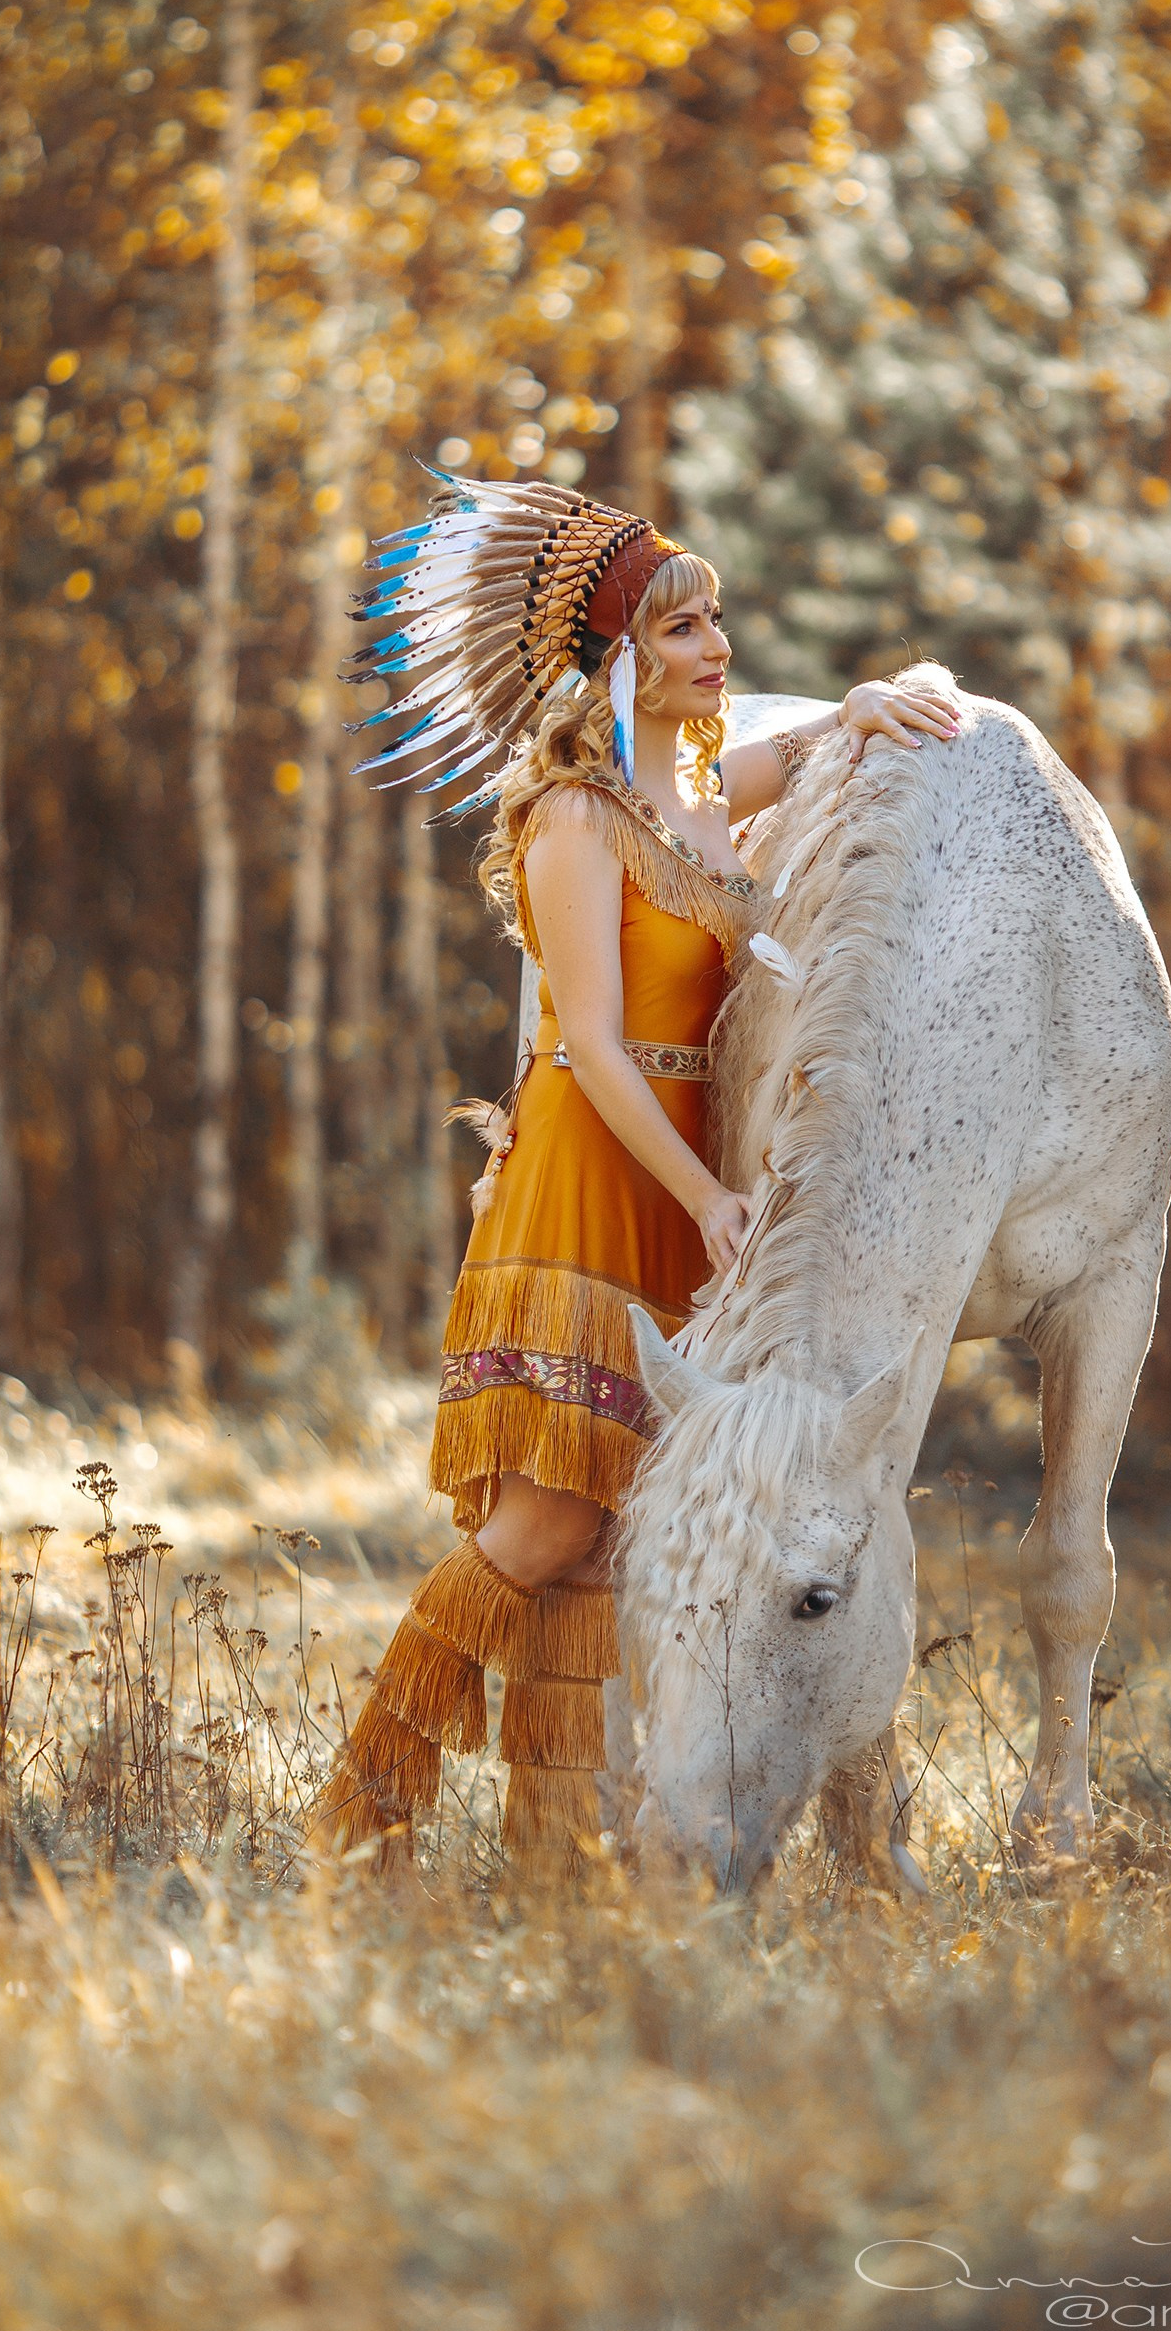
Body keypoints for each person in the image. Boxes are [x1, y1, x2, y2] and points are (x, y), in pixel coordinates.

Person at [310, 467, 957, 1864]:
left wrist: (868, 703)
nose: (715, 646)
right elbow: (597, 1050)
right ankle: (361, 1810)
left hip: (678, 1194)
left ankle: (553, 1857)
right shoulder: (571, 822)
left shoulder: (708, 793)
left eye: (715, 617)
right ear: (615, 660)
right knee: (544, 1528)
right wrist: (710, 1195)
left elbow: (805, 751)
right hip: (598, 1180)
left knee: (607, 1538)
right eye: (678, 629)